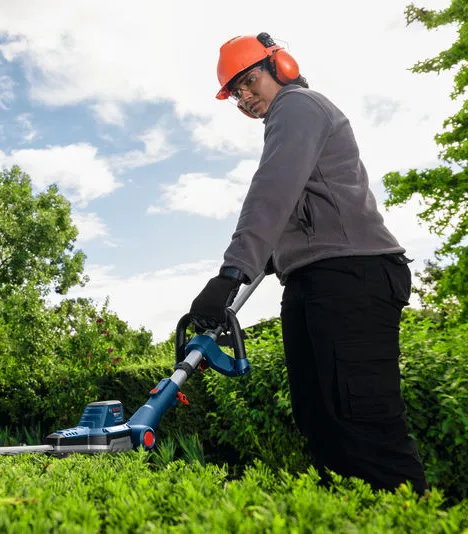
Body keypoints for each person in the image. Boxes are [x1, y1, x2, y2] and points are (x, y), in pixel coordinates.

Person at [189, 32, 429, 496]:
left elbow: (270, 192)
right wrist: (240, 282)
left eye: (250, 80)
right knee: (320, 422)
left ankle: (411, 521)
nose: (244, 97)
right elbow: (282, 218)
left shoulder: (299, 108)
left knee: (364, 422)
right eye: (235, 92)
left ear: (281, 66)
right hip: (313, 281)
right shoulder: (285, 125)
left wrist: (229, 275)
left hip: (352, 274)